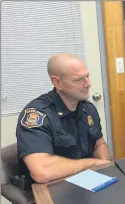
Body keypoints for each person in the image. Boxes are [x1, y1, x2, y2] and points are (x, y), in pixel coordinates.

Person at [16, 53, 111, 185]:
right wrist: (92, 163)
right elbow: (42, 172)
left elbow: (99, 144)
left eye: (87, 76)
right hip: (53, 188)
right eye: (79, 80)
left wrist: (104, 169)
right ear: (57, 82)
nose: (88, 84)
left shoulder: (87, 108)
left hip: (89, 181)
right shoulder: (37, 114)